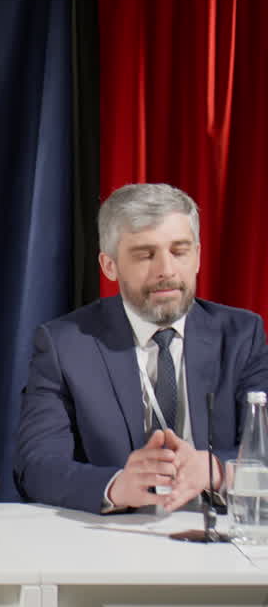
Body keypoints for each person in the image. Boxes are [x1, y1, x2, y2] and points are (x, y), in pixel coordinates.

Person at [16, 183, 268, 514]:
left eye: (179, 251)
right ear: (109, 266)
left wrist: (217, 470)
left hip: (220, 534)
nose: (166, 270)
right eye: (145, 254)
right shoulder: (64, 344)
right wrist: (116, 486)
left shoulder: (241, 334)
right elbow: (36, 466)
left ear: (198, 256)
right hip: (113, 537)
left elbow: (262, 449)